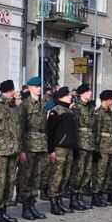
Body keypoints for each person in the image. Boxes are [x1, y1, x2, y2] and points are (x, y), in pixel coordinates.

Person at [0, 80, 22, 222]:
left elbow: (18, 130)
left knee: (9, 183)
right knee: (0, 184)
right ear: (5, 91)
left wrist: (19, 149)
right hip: (1, 152)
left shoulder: (14, 108)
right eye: (11, 90)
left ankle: (5, 211)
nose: (13, 92)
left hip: (13, 151)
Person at [18, 77, 47, 220]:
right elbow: (21, 129)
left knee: (36, 177)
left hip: (40, 145)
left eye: (40, 86)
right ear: (29, 88)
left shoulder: (43, 104)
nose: (39, 88)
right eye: (36, 86)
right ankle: (25, 207)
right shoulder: (24, 105)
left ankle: (33, 205)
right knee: (26, 177)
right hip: (29, 146)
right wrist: (21, 149)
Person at [46, 85, 77, 215]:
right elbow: (50, 131)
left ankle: (59, 200)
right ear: (61, 97)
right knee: (57, 176)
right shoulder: (55, 111)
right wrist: (51, 150)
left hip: (69, 148)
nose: (71, 97)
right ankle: (54, 203)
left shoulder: (69, 112)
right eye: (69, 95)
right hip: (59, 149)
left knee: (65, 176)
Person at [70, 84, 95, 209]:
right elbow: (73, 127)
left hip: (89, 143)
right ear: (82, 94)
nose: (91, 93)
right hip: (80, 143)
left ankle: (79, 196)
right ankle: (74, 198)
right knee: (78, 171)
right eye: (88, 91)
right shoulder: (77, 107)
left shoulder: (90, 107)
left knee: (87, 171)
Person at [92, 90, 112, 206]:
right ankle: (96, 195)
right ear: (105, 100)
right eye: (111, 99)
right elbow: (96, 132)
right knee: (100, 173)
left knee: (108, 172)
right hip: (102, 147)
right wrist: (96, 149)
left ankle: (102, 193)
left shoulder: (111, 113)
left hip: (111, 147)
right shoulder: (99, 113)